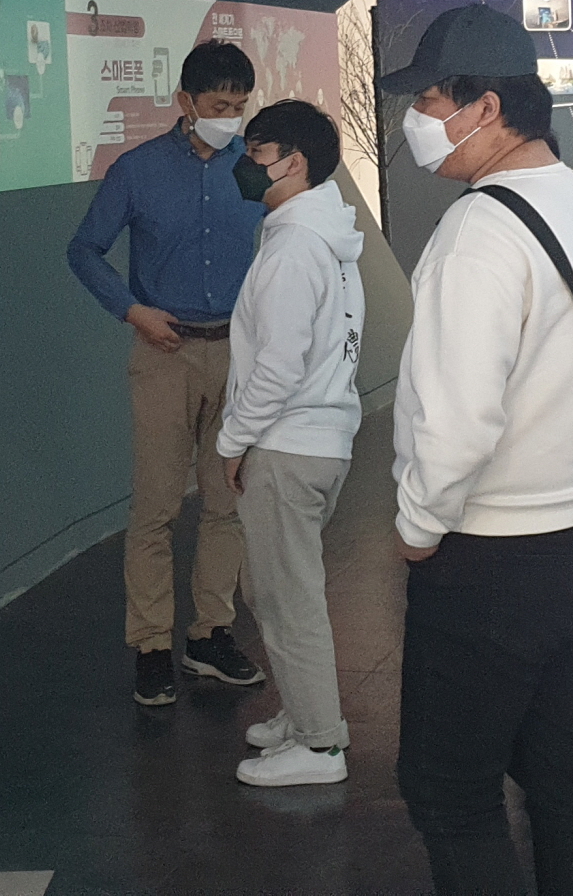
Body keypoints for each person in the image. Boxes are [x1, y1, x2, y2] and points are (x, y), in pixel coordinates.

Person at [379, 4, 573, 896]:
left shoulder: (477, 232)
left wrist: (417, 526)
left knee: (448, 789)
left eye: (428, 99)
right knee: (564, 766)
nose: (415, 118)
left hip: (498, 560)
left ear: (485, 107)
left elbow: (458, 423)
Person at [67, 39, 268, 708]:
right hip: (164, 351)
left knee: (226, 501)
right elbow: (84, 249)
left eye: (239, 106)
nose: (231, 118)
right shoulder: (137, 170)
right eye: (219, 105)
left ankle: (210, 634)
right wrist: (132, 310)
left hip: (236, 351)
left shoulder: (254, 169)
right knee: (156, 506)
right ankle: (152, 645)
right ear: (184, 101)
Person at [214, 99, 367, 788]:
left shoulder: (293, 249)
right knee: (272, 589)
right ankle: (305, 713)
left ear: (293, 163)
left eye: (256, 152)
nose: (244, 164)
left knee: (288, 599)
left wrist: (232, 440)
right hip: (322, 440)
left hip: (287, 444)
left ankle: (319, 744)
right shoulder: (325, 237)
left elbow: (277, 366)